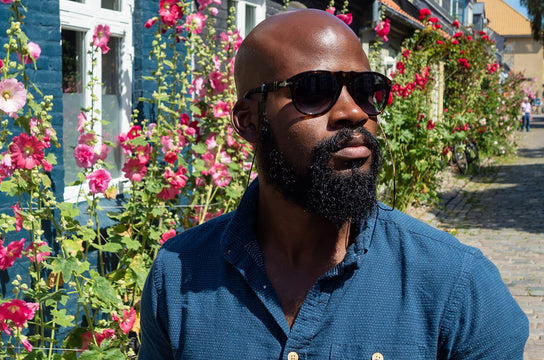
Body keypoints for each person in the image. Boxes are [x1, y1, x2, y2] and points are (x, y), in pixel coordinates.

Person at [139, 9, 529, 359]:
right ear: (249, 121)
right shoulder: (176, 279)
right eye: (314, 90)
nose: (354, 112)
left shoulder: (455, 287)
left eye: (365, 90)